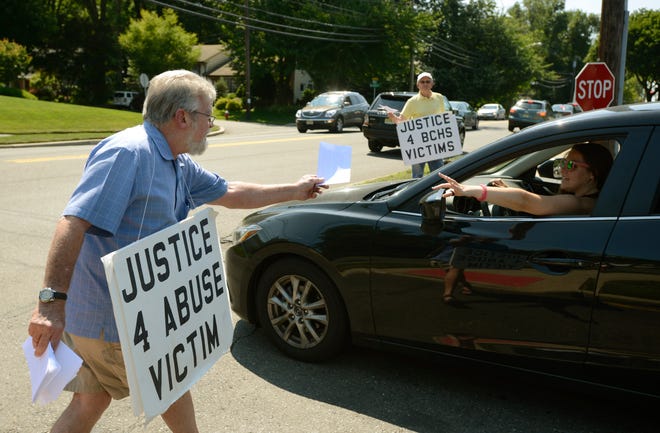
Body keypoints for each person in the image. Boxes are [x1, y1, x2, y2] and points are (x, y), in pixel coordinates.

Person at [27, 69, 327, 433]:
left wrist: (295, 190)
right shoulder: (129, 153)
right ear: (182, 116)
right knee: (170, 381)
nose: (209, 125)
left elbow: (231, 192)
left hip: (104, 316)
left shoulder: (176, 160)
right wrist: (49, 305)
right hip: (113, 319)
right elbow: (73, 222)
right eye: (207, 116)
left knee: (93, 399)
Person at [435, 142, 613, 216]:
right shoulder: (589, 200)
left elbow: (527, 202)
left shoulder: (583, 204)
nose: (562, 170)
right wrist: (506, 193)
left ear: (592, 174)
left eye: (570, 165)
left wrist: (471, 190)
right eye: (561, 163)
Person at [387, 71, 447, 179]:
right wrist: (395, 120)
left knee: (439, 175)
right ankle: (417, 196)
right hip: (418, 144)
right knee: (417, 177)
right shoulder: (412, 102)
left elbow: (443, 119)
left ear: (432, 84)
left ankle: (440, 195)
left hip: (435, 143)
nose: (425, 84)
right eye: (422, 82)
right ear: (417, 85)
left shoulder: (439, 98)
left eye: (428, 81)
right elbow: (402, 120)